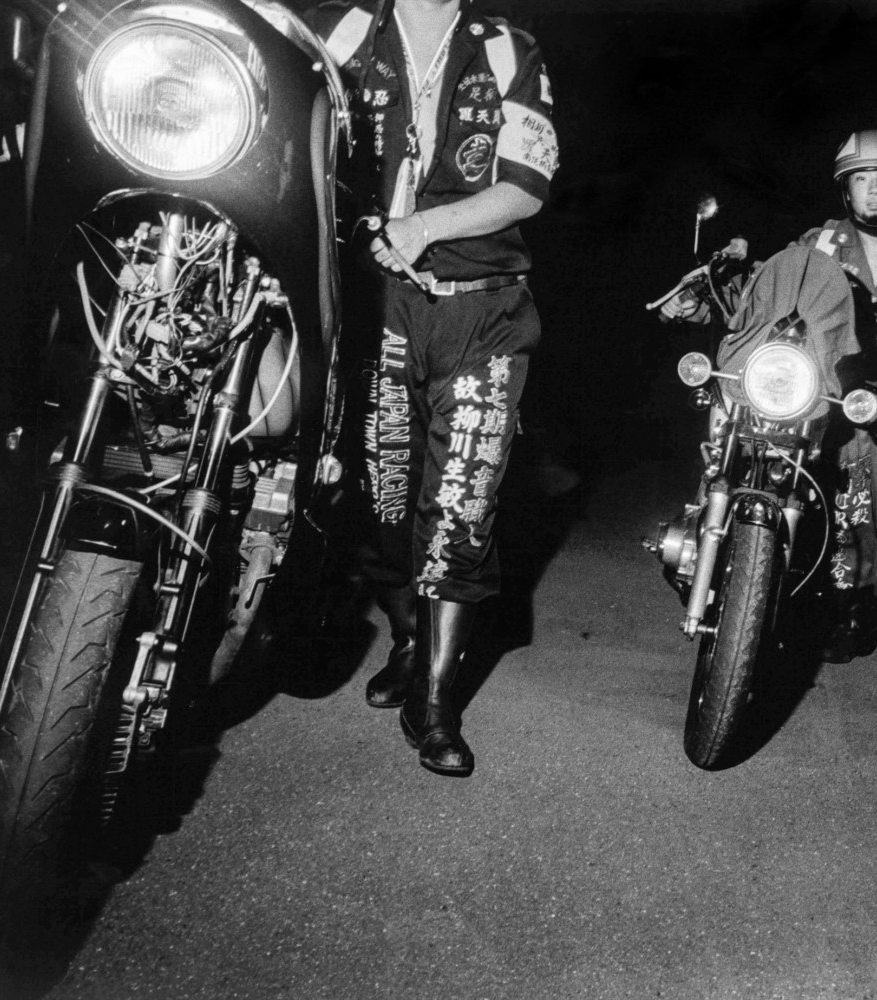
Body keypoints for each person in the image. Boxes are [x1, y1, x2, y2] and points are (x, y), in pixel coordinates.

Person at [313, 0, 559, 777]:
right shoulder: (343, 33)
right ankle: (411, 642)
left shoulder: (508, 49)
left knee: (461, 501)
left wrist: (422, 227)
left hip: (483, 312)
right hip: (376, 311)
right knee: (385, 499)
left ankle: (437, 700)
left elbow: (527, 185)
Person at [665, 129, 877, 702]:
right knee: (849, 516)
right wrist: (708, 296)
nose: (873, 191)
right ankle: (853, 618)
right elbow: (769, 296)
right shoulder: (820, 243)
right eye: (862, 180)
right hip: (846, 403)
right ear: (845, 189)